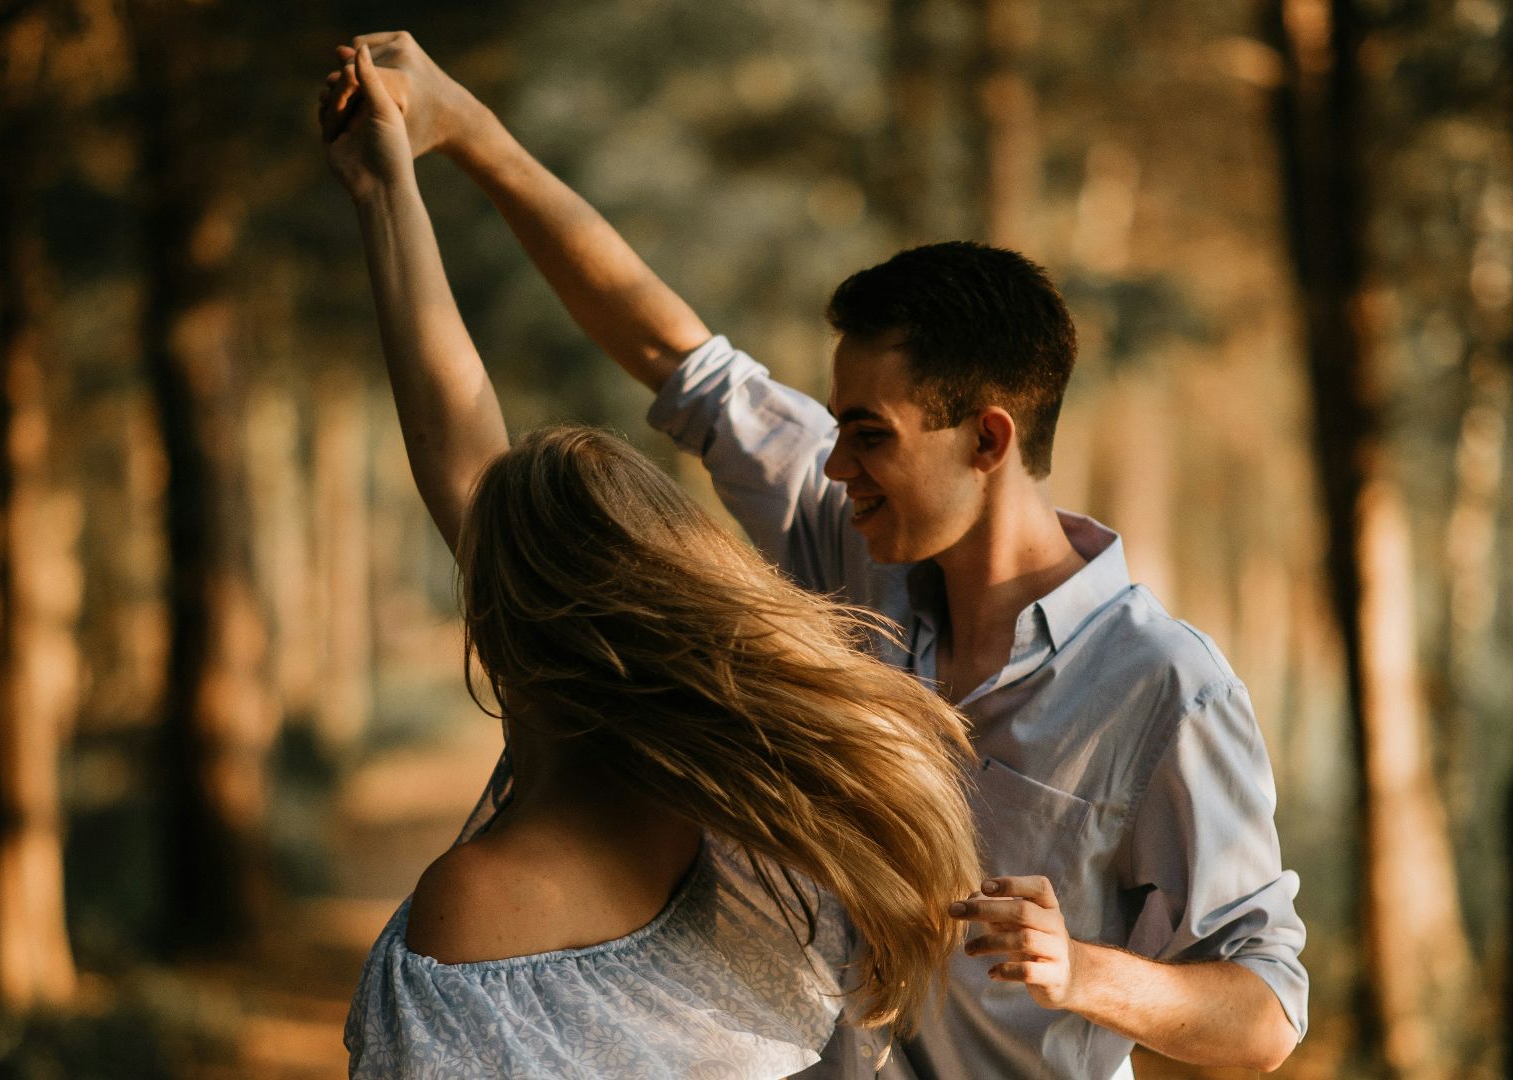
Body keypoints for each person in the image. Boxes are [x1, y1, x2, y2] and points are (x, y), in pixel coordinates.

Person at [344, 30, 1311, 1080]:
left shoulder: (1164, 687)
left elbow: (1265, 1016)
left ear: (987, 440)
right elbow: (676, 356)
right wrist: (466, 134)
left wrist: (1081, 971)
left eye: (867, 433)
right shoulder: (853, 551)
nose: (832, 462)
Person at [319, 45, 984, 1079]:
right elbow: (463, 449)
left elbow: (464, 460)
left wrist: (390, 183)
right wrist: (386, 182)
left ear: (507, 618)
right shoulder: (767, 851)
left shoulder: (475, 910)